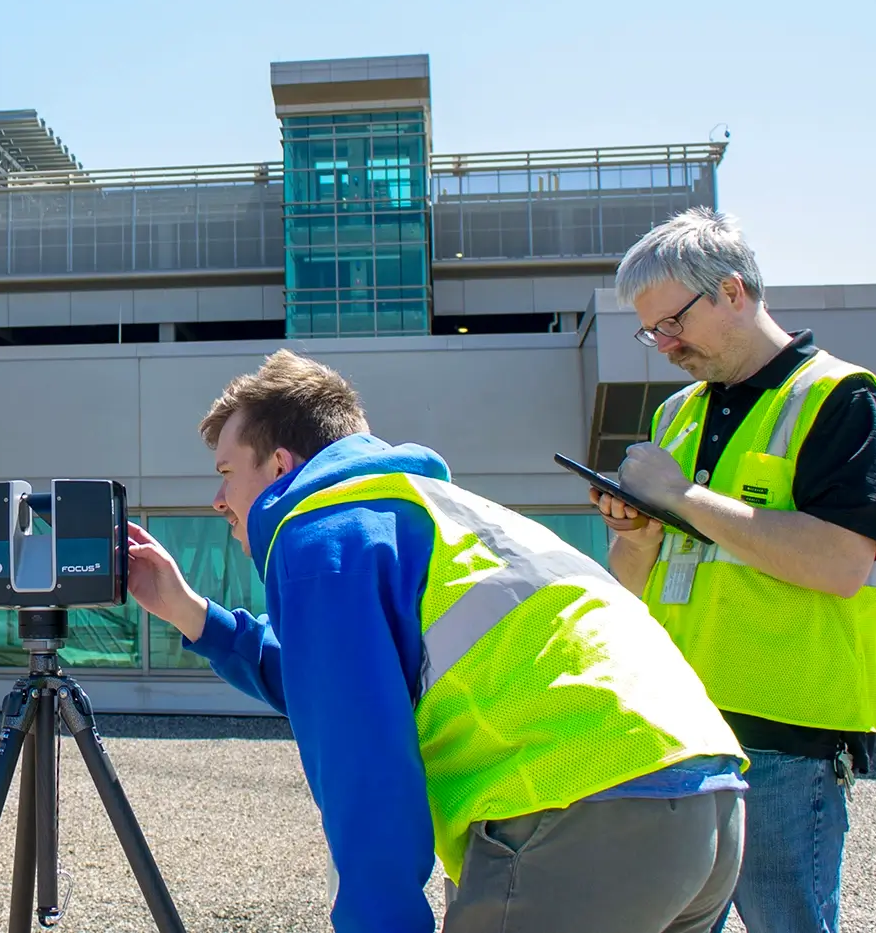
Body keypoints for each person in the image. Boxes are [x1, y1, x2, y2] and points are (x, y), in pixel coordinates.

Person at [126, 348, 749, 933]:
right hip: (706, 802)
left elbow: (363, 763)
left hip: (580, 809)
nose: (217, 500)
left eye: (227, 472)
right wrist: (193, 615)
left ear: (282, 465)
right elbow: (345, 685)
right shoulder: (430, 509)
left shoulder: (320, 533)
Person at [592, 207, 876, 933]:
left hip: (786, 738)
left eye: (673, 321)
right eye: (651, 331)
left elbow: (840, 562)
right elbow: (633, 583)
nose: (664, 344)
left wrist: (682, 497)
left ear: (733, 291)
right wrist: (639, 530)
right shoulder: (677, 413)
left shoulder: (846, 403)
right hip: (681, 729)